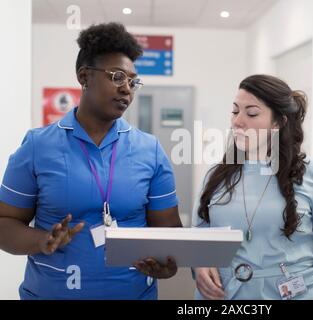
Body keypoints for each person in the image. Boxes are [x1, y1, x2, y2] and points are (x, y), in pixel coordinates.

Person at [0, 22, 182, 300]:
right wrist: (41, 240)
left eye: (133, 82)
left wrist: (167, 264)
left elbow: (168, 231)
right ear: (84, 77)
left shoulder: (150, 149)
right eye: (117, 77)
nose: (127, 90)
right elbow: (5, 223)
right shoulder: (39, 146)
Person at [192, 74, 313, 300]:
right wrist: (199, 264)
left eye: (251, 113)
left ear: (279, 122)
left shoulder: (312, 175)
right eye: (235, 111)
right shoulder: (216, 176)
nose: (237, 121)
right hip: (228, 295)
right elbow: (199, 235)